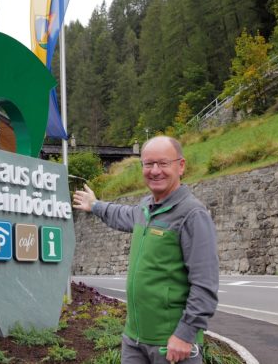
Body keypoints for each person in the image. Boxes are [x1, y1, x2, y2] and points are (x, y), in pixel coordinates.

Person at [73, 136, 218, 364]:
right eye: (148, 164)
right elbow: (121, 214)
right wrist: (96, 205)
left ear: (180, 166)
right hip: (134, 341)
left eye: (163, 163)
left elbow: (205, 285)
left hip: (171, 345)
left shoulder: (192, 214)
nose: (155, 171)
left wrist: (185, 334)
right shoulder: (145, 208)